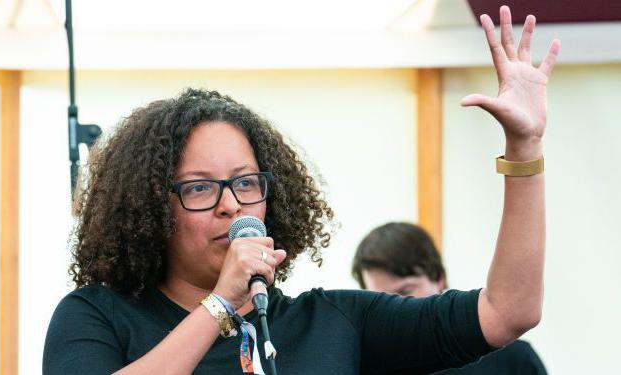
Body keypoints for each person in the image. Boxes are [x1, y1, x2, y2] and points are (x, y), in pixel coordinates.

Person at [43, 6, 560, 374]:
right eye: (200, 189)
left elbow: (507, 311)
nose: (230, 203)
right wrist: (222, 303)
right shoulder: (97, 316)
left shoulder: (332, 323)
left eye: (246, 183)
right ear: (152, 208)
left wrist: (524, 148)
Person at [352, 222, 548, 374]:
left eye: (405, 291)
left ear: (439, 279)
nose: (393, 308)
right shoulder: (364, 365)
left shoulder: (513, 360)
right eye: (379, 298)